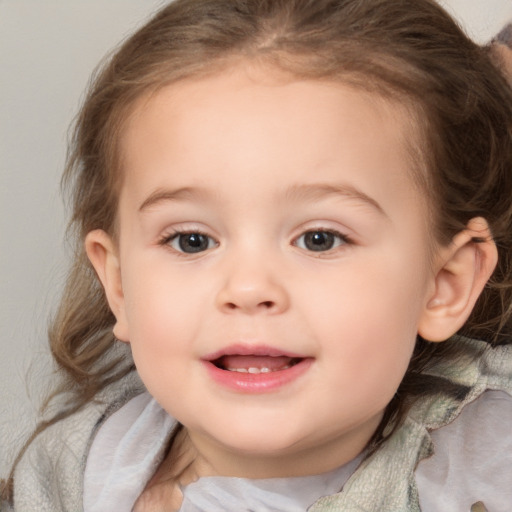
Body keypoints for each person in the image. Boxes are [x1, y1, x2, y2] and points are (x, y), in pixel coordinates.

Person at [2, 0, 512, 510]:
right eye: (191, 240)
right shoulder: (71, 476)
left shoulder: (488, 468)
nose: (247, 288)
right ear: (118, 285)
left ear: (445, 282)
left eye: (320, 239)